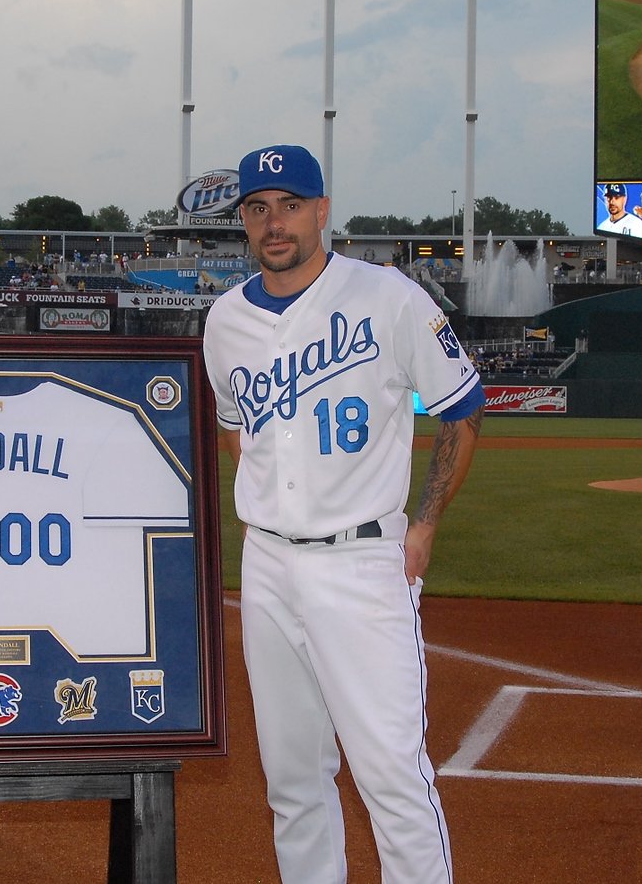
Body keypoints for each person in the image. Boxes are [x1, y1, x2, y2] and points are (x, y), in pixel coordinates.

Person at [203, 143, 484, 883]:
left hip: (362, 562)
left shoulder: (387, 296)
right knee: (293, 780)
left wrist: (423, 522)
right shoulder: (224, 321)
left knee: (391, 776)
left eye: (290, 205)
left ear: (322, 210)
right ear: (243, 221)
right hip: (267, 566)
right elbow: (239, 430)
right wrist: (274, 507)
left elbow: (461, 408)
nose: (274, 222)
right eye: (258, 208)